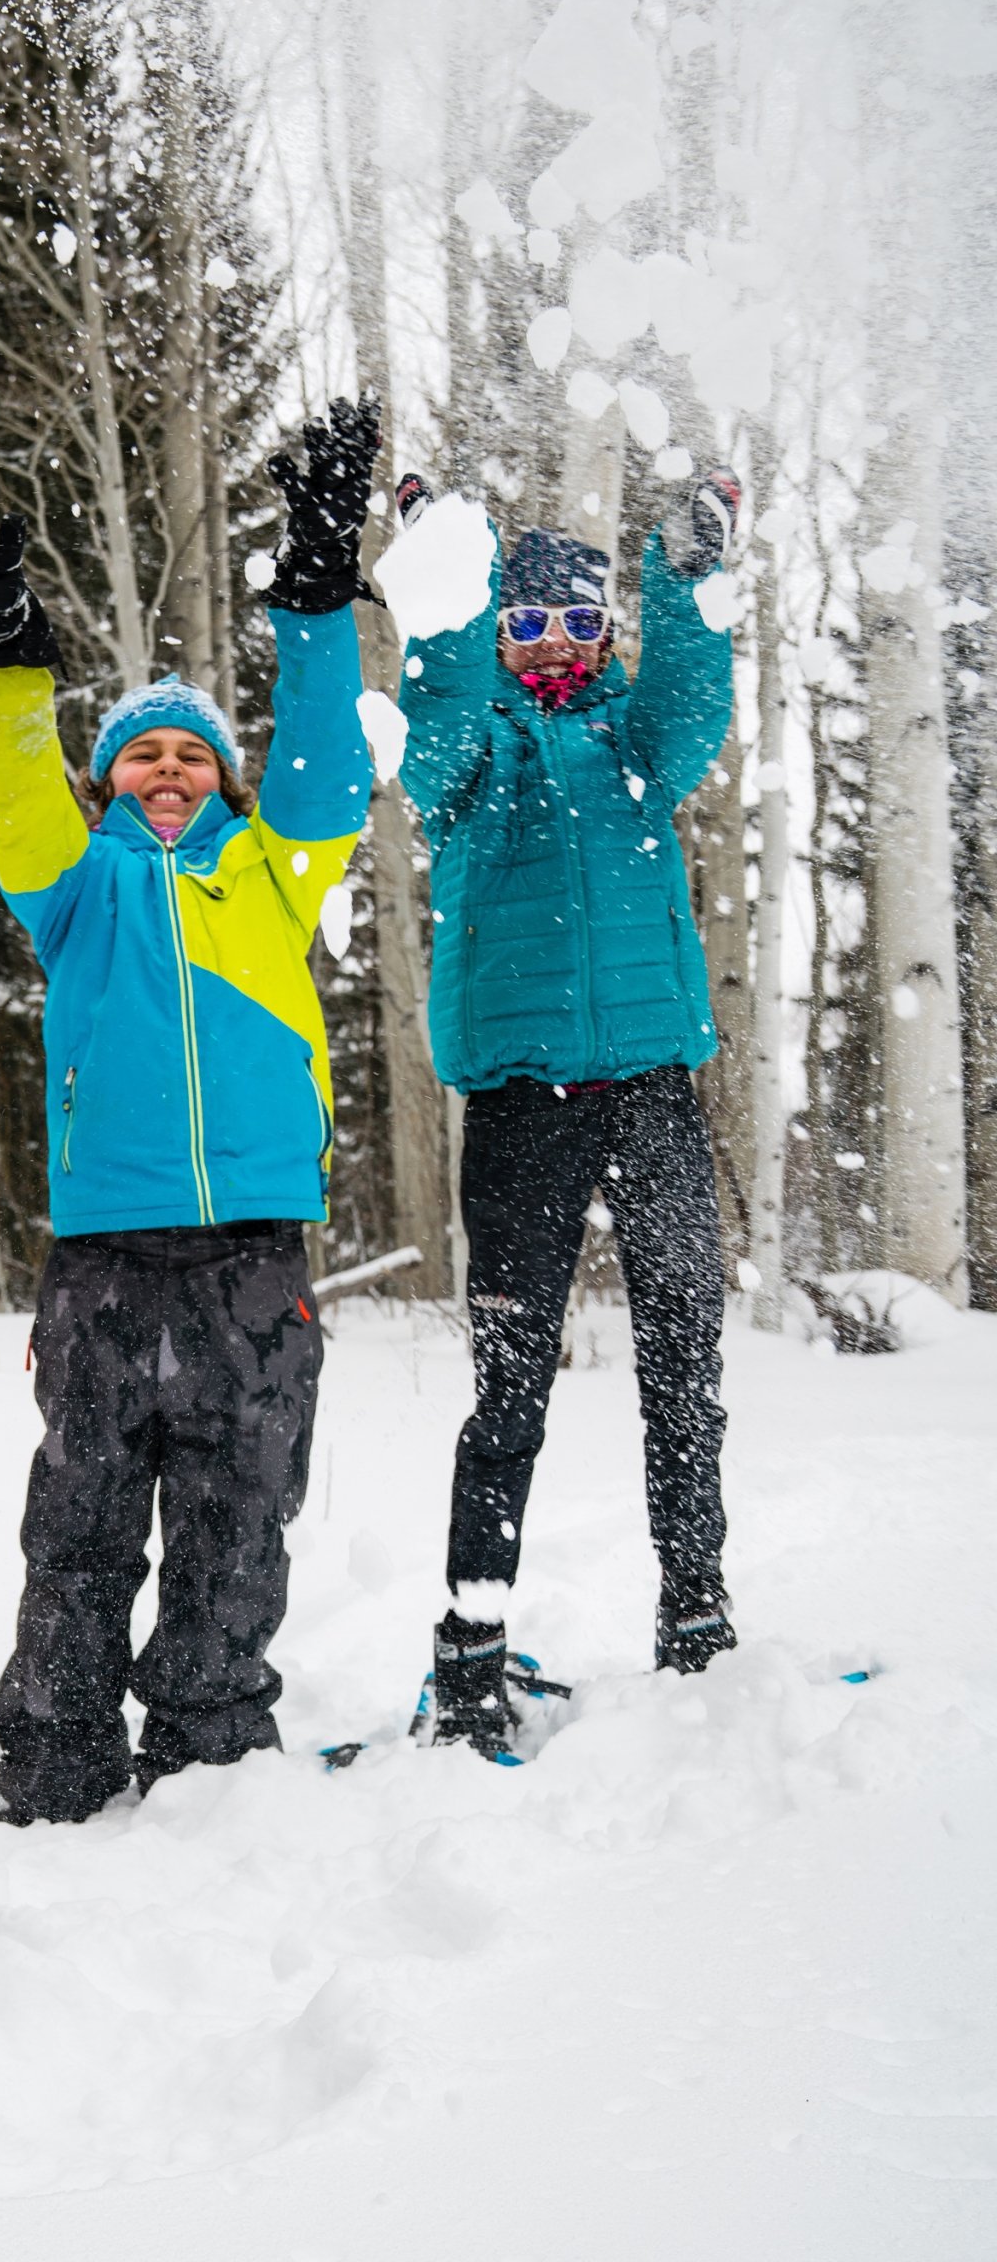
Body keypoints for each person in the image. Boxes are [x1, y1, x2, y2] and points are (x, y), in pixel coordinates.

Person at [0, 398, 379, 1825]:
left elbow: (322, 757)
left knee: (242, 1517)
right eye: (139, 757)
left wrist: (314, 586)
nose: (167, 772)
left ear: (223, 784)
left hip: (254, 1256)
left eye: (189, 757)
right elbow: (13, 782)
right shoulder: (76, 888)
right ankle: (55, 1753)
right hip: (108, 1259)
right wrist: (2, 642)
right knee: (83, 1522)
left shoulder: (278, 873)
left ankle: (213, 1741)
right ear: (108, 784)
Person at [395, 470, 745, 1756]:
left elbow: (692, 697)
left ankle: (696, 1616)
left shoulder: (634, 748)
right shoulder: (477, 754)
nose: (552, 645)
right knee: (509, 1384)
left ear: (601, 634)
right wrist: (441, 594)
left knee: (683, 1368)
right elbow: (426, 749)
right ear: (498, 632)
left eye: (575, 624)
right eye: (527, 624)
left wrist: (682, 578)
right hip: (522, 1102)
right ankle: (471, 1649)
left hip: (652, 1084)